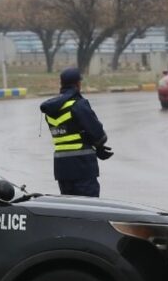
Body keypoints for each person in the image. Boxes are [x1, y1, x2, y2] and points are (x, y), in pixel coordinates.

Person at [40, 67, 113, 197]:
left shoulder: (51, 110)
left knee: (71, 210)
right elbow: (98, 134)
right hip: (82, 167)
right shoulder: (78, 104)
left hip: (62, 169)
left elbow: (69, 133)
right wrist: (99, 147)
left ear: (61, 84)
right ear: (78, 84)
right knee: (89, 210)